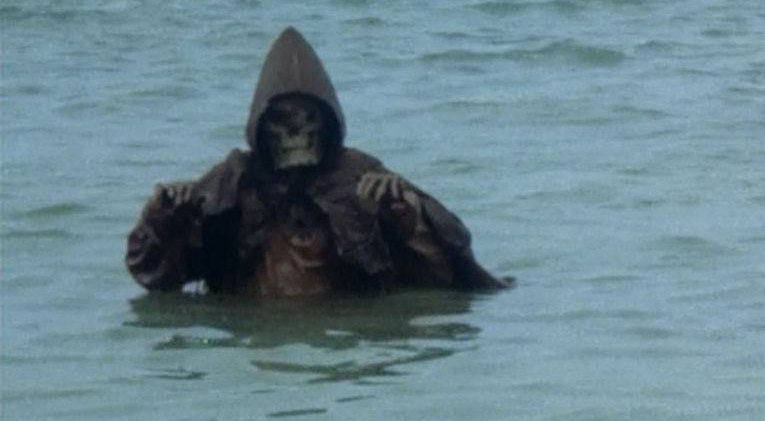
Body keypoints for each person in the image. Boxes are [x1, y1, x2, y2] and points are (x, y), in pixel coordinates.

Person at [127, 27, 509, 296]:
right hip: (259, 341)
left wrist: (403, 217)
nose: (295, 132)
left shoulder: (359, 176)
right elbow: (155, 277)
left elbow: (439, 275)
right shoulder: (233, 181)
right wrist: (165, 217)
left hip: (345, 333)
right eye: (282, 120)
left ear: (325, 122)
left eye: (306, 118)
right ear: (263, 125)